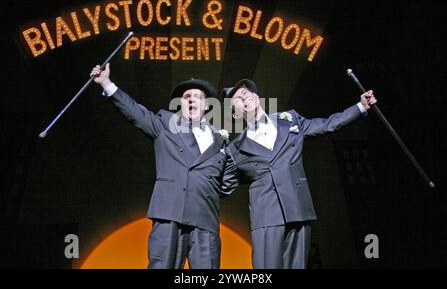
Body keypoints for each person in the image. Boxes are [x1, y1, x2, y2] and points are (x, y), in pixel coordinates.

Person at [90, 64, 238, 269]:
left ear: (206, 105)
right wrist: (106, 83)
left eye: (198, 96)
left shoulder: (220, 140)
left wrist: (209, 188)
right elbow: (135, 112)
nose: (192, 99)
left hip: (205, 219)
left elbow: (227, 182)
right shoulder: (165, 124)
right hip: (170, 214)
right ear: (180, 104)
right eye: (187, 96)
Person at [223, 79, 377, 269]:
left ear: (257, 97)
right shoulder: (234, 149)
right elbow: (223, 185)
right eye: (237, 98)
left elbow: (327, 125)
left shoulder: (290, 119)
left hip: (297, 208)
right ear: (235, 113)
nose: (244, 95)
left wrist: (360, 106)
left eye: (246, 92)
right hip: (266, 216)